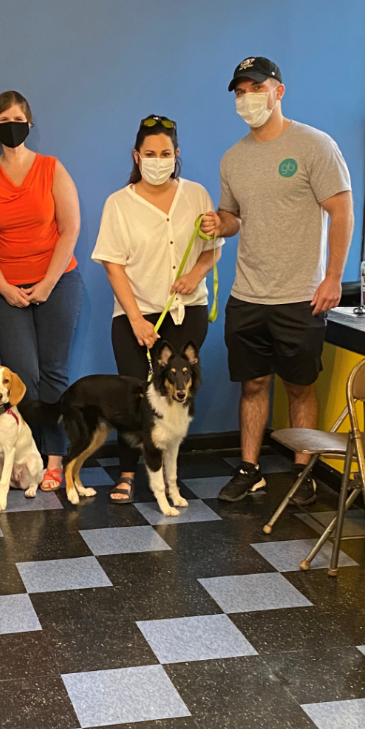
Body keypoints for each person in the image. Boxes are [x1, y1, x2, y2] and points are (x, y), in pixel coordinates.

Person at [204, 56, 353, 505]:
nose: (246, 97)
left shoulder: (313, 145)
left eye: (255, 87)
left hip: (300, 295)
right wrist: (219, 223)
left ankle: (303, 471)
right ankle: (249, 469)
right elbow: (234, 218)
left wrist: (333, 279)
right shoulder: (233, 158)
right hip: (247, 294)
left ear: (278, 91)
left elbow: (342, 211)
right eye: (239, 90)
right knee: (252, 385)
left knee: (299, 387)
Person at [92, 114, 219, 503]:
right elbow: (113, 265)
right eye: (150, 153)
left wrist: (195, 275)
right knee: (138, 397)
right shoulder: (119, 203)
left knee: (180, 393)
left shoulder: (196, 194)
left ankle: (170, 478)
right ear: (137, 155)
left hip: (189, 312)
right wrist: (136, 320)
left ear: (176, 155)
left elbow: (212, 250)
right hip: (137, 316)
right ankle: (127, 474)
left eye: (165, 153)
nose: (158, 160)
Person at [0, 91, 82, 490]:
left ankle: (56, 458)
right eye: (4, 119)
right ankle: (30, 455)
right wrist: (2, 285)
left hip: (57, 282)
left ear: (30, 124)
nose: (12, 124)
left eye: (18, 118)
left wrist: (47, 283)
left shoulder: (51, 168)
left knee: (55, 372)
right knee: (22, 376)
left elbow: (70, 228)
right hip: (7, 290)